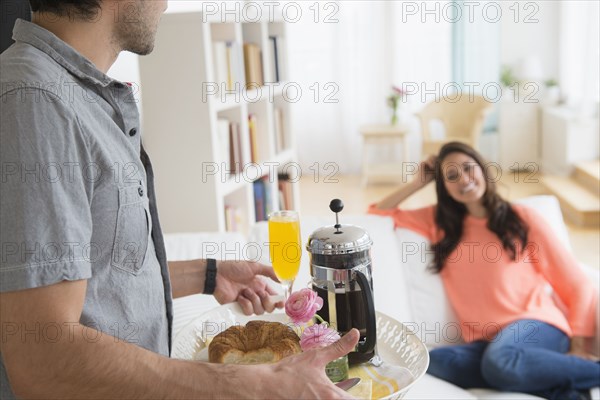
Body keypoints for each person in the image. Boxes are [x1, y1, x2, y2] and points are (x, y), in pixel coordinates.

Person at [0, 1, 359, 398]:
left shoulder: (78, 98)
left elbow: (99, 275)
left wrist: (208, 274)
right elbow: (44, 359)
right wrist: (257, 386)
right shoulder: (35, 101)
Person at [369, 141, 599, 400]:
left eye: (469, 168)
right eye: (452, 176)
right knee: (432, 362)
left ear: (482, 168)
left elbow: (577, 283)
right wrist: (418, 183)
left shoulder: (522, 218)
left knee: (501, 361)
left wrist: (579, 345)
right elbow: (376, 214)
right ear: (444, 187)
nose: (464, 179)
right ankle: (564, 389)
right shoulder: (438, 223)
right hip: (488, 344)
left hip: (537, 327)